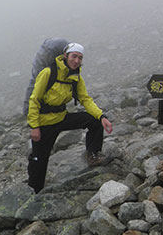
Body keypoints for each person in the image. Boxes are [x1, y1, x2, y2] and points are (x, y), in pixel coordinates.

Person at [27, 42, 113, 193]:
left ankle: (92, 154)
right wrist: (34, 126)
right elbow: (34, 99)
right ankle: (34, 190)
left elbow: (85, 99)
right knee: (39, 159)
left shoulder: (76, 77)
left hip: (61, 117)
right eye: (74, 56)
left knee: (93, 120)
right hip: (45, 123)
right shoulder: (48, 73)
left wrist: (102, 117)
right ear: (66, 56)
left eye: (80, 58)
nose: (77, 61)